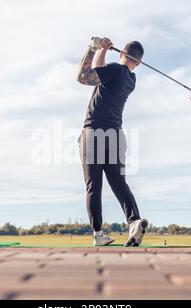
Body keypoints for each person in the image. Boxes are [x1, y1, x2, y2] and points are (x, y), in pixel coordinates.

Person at [77, 37, 148, 247]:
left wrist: (93, 49)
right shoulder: (130, 79)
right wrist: (103, 51)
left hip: (94, 132)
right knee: (119, 182)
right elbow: (101, 71)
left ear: (121, 54)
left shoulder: (115, 70)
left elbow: (84, 76)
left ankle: (98, 233)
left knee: (93, 185)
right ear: (139, 63)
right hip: (115, 136)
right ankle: (134, 220)